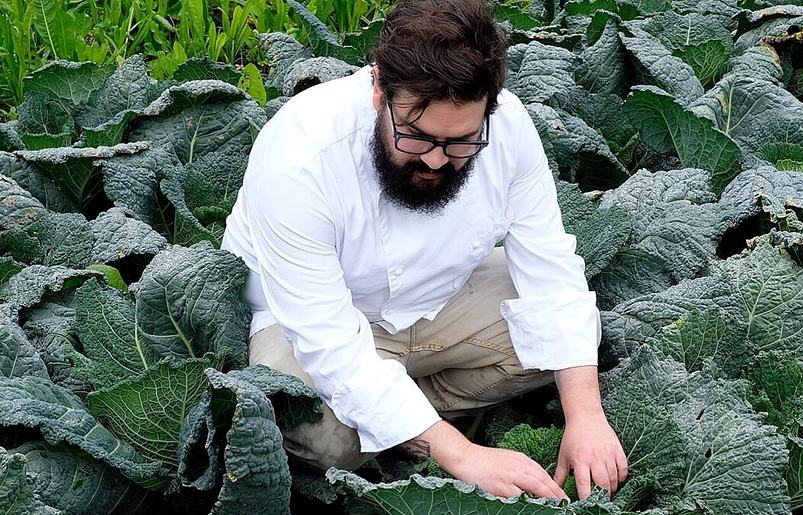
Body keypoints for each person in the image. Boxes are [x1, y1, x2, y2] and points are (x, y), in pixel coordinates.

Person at [220, 0, 628, 501]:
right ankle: (411, 425)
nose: (436, 158)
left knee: (564, 348)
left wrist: (586, 417)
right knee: (320, 438)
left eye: (460, 143)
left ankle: (401, 418)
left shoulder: (510, 129)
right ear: (377, 91)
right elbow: (329, 343)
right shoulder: (299, 156)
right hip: (304, 321)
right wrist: (461, 455)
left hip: (438, 298)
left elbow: (550, 268)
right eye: (416, 136)